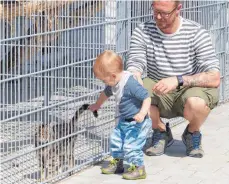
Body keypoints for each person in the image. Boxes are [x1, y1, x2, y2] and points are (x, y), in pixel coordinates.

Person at [126, 0, 220, 158]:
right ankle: (161, 131)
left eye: (164, 13)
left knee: (197, 103)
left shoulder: (196, 32)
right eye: (155, 11)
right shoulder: (143, 30)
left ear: (178, 9)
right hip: (158, 86)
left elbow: (214, 77)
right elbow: (136, 61)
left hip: (188, 90)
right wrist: (134, 75)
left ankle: (192, 132)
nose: (158, 17)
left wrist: (178, 80)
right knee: (133, 92)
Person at [89, 50, 152, 180]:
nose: (104, 83)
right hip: (125, 120)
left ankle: (139, 168)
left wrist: (142, 113)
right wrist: (97, 105)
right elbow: (105, 93)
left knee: (132, 145)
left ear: (112, 76)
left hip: (138, 122)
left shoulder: (130, 84)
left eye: (104, 80)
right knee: (116, 140)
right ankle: (118, 163)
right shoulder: (114, 82)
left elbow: (147, 97)